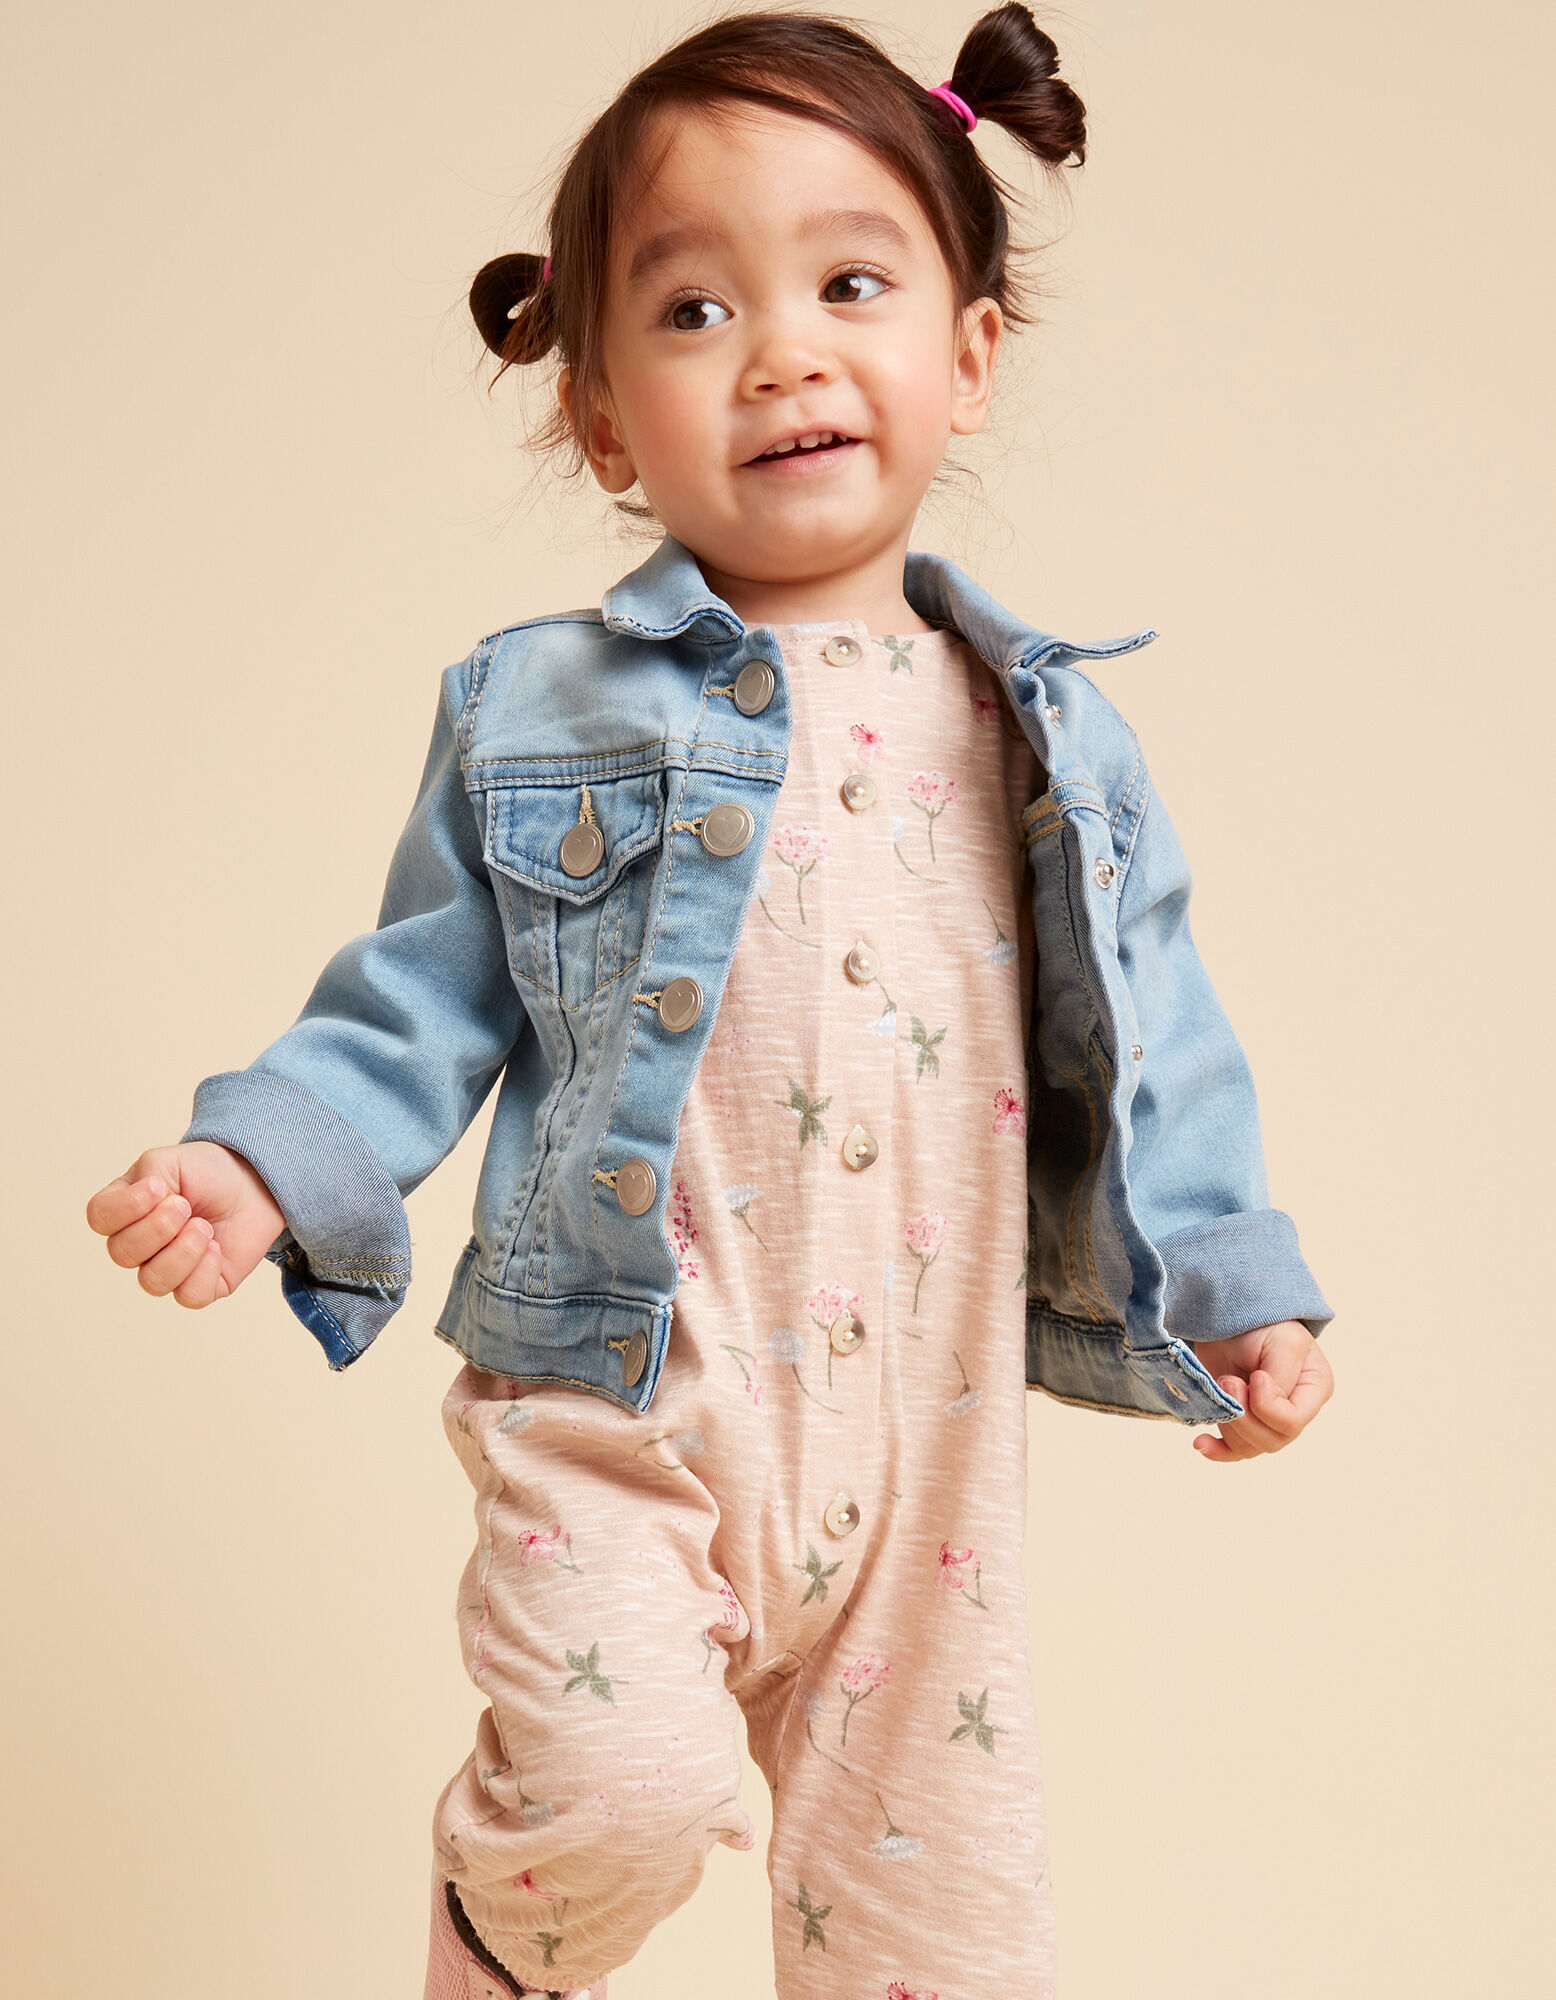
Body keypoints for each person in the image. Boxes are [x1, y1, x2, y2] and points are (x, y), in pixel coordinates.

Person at [84, 8, 1336, 1996]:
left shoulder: (1052, 737)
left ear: (968, 355)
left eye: (851, 285)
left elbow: (1156, 1036)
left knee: (943, 1931)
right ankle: (498, 1932)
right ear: (604, 421)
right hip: (621, 1403)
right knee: (621, 1792)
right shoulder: (541, 710)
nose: (782, 354)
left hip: (924, 1456)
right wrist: (266, 1160)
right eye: (692, 311)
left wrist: (1232, 1279)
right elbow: (418, 996)